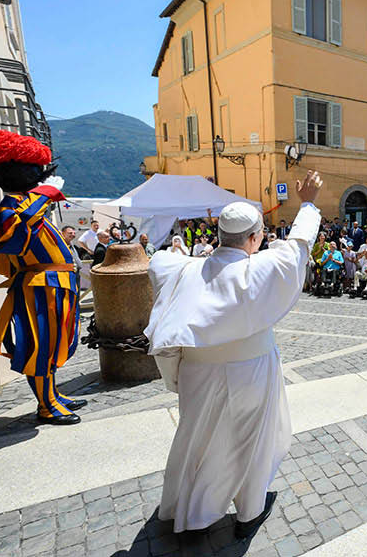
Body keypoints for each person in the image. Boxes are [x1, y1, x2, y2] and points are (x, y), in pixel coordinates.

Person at [145, 170, 323, 538]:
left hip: (198, 372)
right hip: (252, 370)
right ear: (255, 238)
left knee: (199, 441)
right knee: (252, 440)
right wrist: (307, 202)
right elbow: (299, 246)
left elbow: (158, 262)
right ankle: (249, 513)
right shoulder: (260, 268)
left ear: (220, 236)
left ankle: (193, 516)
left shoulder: (186, 270)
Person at [0, 130, 85, 425]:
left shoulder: (29, 207)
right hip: (39, 288)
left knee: (55, 344)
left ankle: (53, 394)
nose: (39, 177)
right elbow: (11, 238)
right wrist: (45, 194)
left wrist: (41, 197)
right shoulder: (9, 210)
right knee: (41, 346)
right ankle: (47, 405)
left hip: (57, 286)